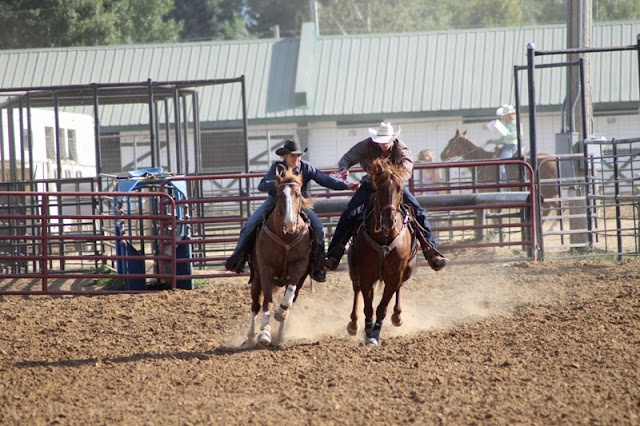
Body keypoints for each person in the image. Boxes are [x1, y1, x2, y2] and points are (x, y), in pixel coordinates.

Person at [224, 139, 359, 282]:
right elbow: (262, 185)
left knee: (319, 229)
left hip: (298, 203)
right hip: (276, 201)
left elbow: (325, 180)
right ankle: (238, 257)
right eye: (292, 156)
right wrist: (275, 184)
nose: (296, 159)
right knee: (249, 225)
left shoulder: (306, 167)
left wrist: (346, 186)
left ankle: (318, 266)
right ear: (285, 157)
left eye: (298, 156)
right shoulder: (277, 168)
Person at [324, 122, 448, 272]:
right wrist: (343, 170)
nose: (383, 144)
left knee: (418, 211)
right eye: (380, 141)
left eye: (385, 140)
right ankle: (334, 253)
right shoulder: (366, 145)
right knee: (350, 213)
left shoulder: (401, 149)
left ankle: (431, 252)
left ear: (392, 139)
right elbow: (346, 158)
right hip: (371, 184)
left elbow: (408, 166)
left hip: (394, 187)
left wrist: (395, 179)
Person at [488, 104, 518, 180]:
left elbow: (515, 136)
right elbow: (503, 139)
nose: (503, 117)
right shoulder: (507, 124)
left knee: (501, 164)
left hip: (511, 146)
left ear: (509, 115)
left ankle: (505, 183)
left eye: (504, 115)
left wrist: (506, 132)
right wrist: (492, 141)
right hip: (506, 145)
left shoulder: (513, 124)